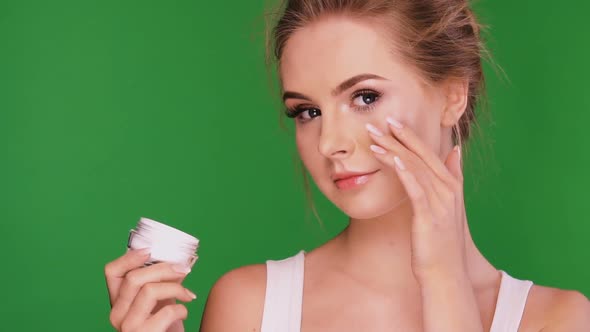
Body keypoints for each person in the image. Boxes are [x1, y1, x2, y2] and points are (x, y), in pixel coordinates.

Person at [104, 0, 590, 331]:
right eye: (307, 112)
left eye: (364, 97)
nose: (330, 142)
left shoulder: (556, 319)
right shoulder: (250, 306)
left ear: (452, 94)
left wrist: (445, 283)